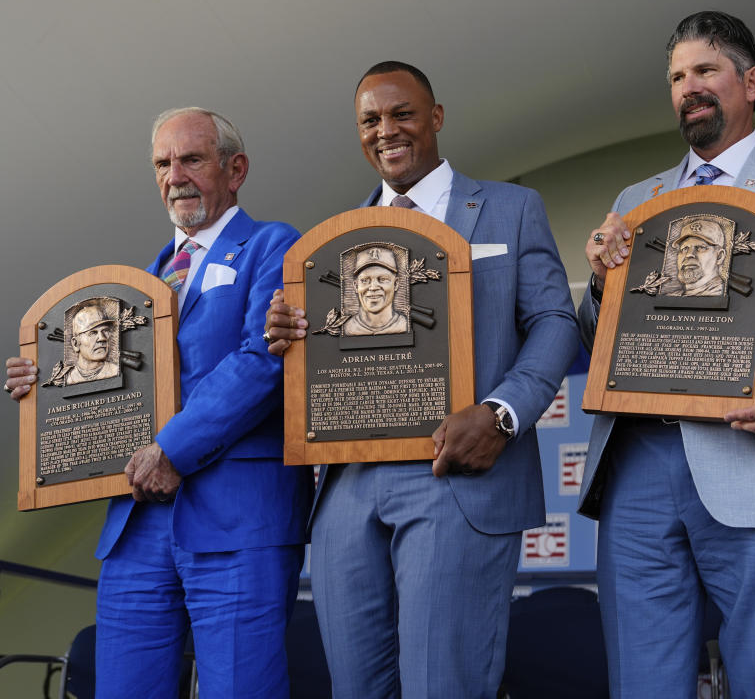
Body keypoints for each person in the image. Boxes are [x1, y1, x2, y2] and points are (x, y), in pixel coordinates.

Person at [263, 61, 576, 698]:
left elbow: (554, 321)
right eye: (370, 120)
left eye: (402, 114)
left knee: (444, 686)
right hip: (348, 490)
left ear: (435, 118)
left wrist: (502, 413)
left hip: (455, 475)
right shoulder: (331, 243)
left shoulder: (511, 208)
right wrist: (289, 334)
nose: (387, 131)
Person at [580, 11, 755, 698]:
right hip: (637, 465)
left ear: (751, 81)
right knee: (641, 684)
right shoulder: (634, 201)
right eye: (677, 77)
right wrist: (595, 283)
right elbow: (597, 338)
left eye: (705, 70)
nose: (688, 88)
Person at [5, 108, 312, 698]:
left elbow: (261, 360)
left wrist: (171, 449)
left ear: (235, 169)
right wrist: (46, 387)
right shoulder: (144, 279)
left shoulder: (273, 244)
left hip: (237, 516)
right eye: (163, 164)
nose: (176, 175)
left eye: (192, 159)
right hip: (136, 519)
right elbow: (111, 388)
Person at [343, 245, 409, 335]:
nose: (373, 287)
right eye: (365, 280)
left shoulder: (404, 325)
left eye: (383, 279)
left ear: (396, 283)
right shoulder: (348, 327)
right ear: (355, 285)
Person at [665, 216, 728, 296]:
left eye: (700, 247)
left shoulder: (721, 293)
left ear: (719, 256)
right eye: (684, 249)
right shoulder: (672, 296)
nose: (689, 254)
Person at [63, 301, 120, 384]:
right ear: (75, 344)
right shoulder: (66, 378)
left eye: (105, 331)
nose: (102, 338)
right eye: (93, 333)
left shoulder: (116, 371)